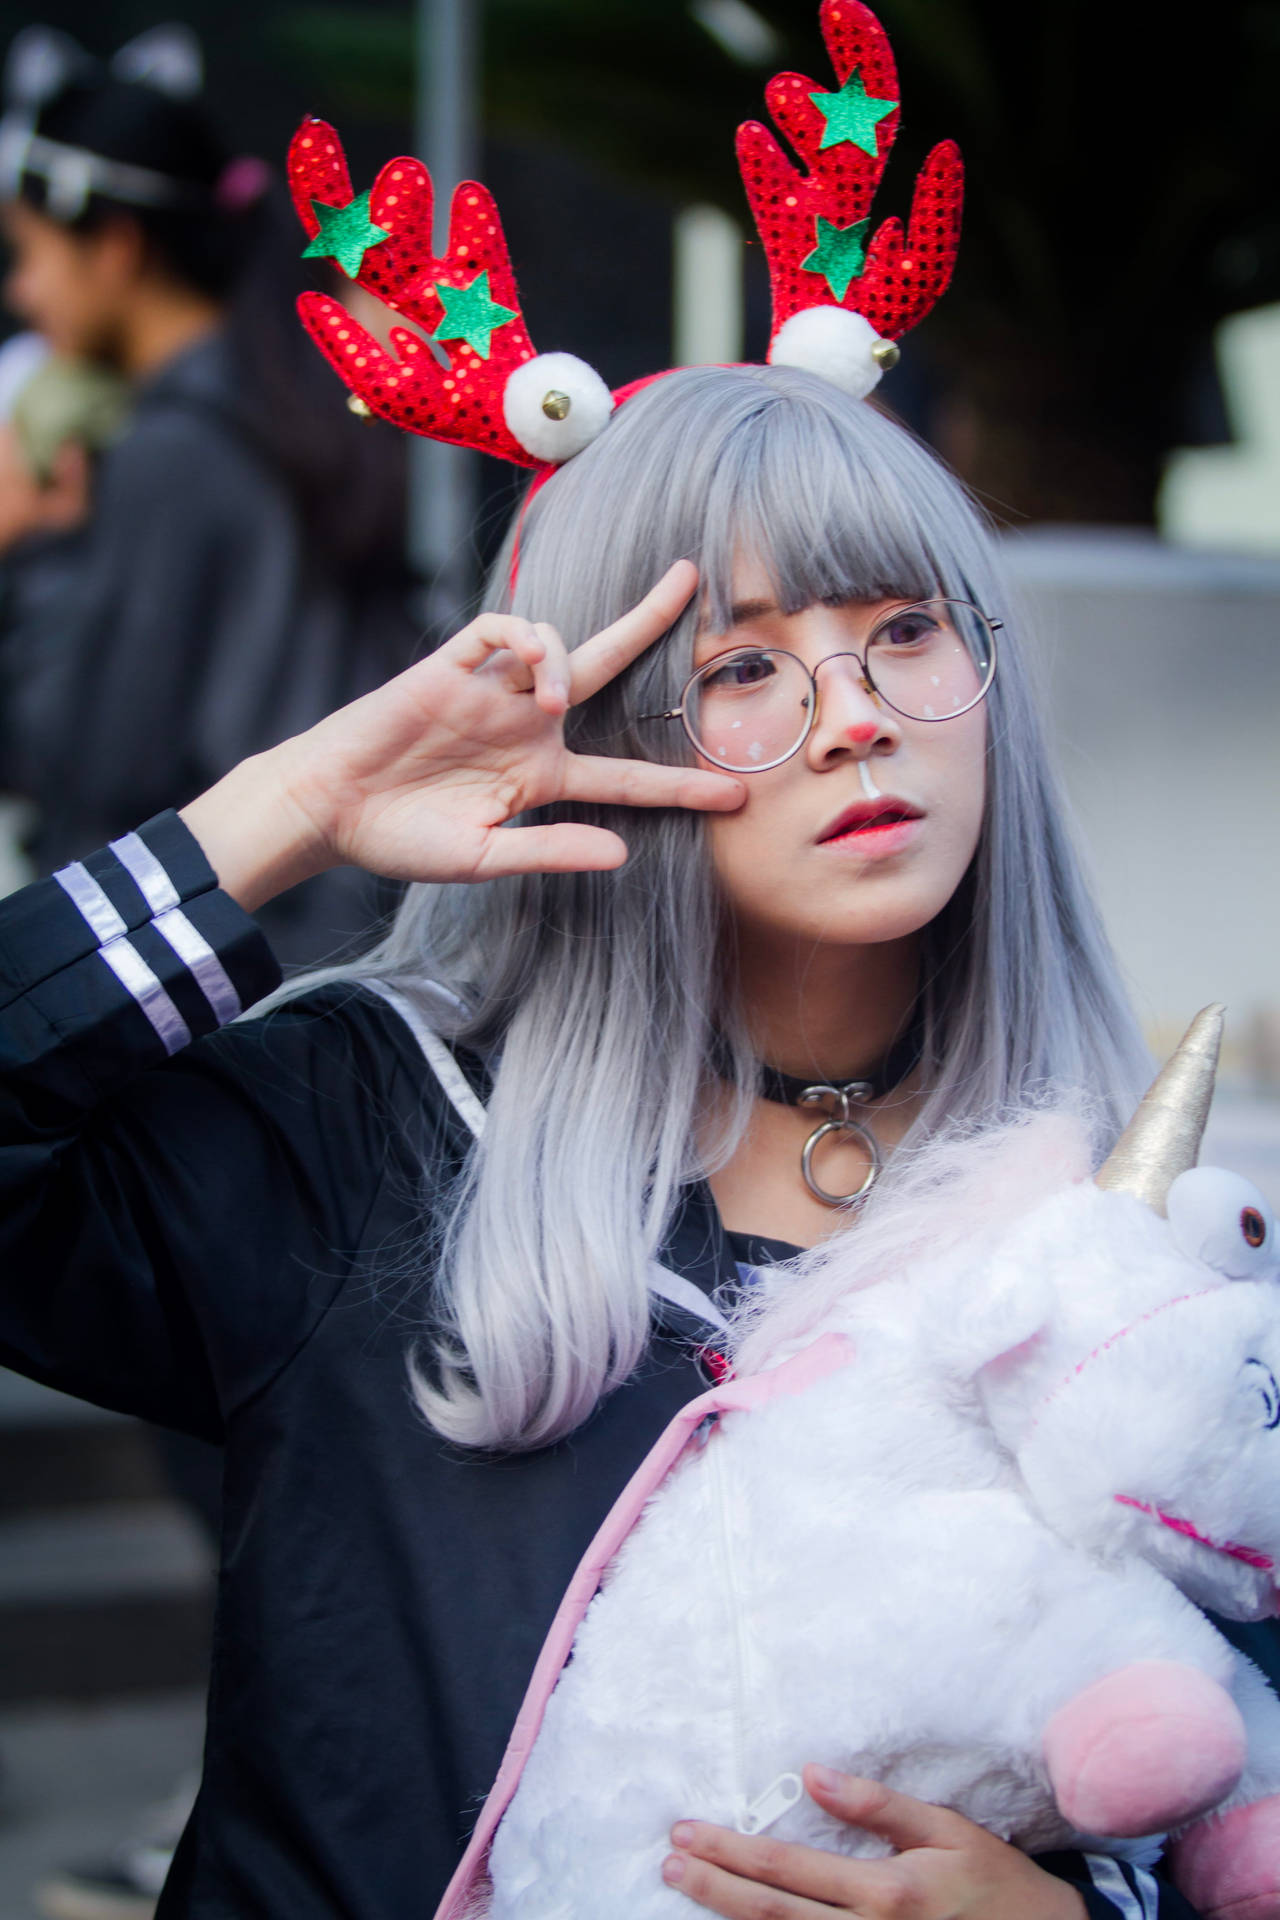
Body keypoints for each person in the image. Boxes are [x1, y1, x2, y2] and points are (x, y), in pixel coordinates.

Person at [3, 353, 1217, 1920]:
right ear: (604, 715)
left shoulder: (1127, 1228)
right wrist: (294, 802)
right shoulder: (372, 1128)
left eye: (905, 632)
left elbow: (1224, 1765)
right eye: (744, 668)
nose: (854, 720)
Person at [0, 26, 418, 964]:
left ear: (113, 245)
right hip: (329, 926)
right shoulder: (292, 402)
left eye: (27, 254)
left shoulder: (175, 449)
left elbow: (92, 761)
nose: (24, 295)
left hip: (221, 958)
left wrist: (24, 546)